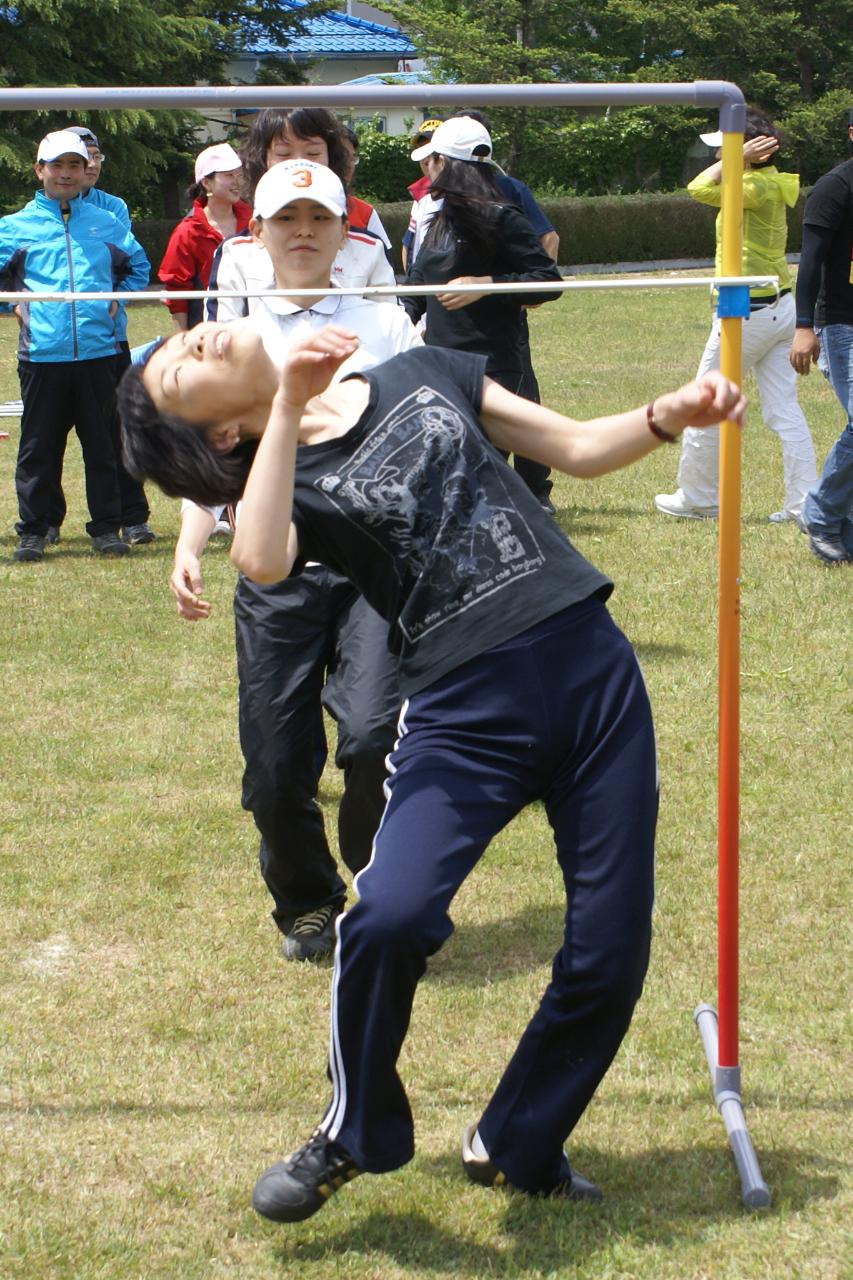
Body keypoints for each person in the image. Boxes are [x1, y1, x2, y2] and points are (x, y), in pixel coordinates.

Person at [117, 292, 745, 1217]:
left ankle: (518, 1138)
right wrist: (288, 402)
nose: (195, 337)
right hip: (465, 711)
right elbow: (260, 559)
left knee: (611, 951)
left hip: (590, 672)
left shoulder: (417, 372)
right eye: (180, 367)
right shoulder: (276, 475)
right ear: (215, 436)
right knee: (389, 918)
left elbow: (571, 447)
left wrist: (663, 415)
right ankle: (353, 1129)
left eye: (180, 340)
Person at [158, 160, 421, 962]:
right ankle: (306, 902)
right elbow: (208, 460)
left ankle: (384, 895)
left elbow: (431, 437)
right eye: (285, 219)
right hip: (276, 570)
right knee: (274, 762)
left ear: (345, 234)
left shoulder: (385, 323)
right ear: (258, 232)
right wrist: (188, 542)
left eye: (318, 219)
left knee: (375, 737)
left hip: (374, 568)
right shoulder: (228, 338)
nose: (302, 233)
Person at [655, 107, 817, 524]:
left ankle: (698, 499)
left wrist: (737, 159)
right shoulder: (766, 182)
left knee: (704, 402)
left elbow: (697, 189)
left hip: (747, 311)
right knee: (784, 410)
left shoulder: (751, 185)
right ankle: (804, 504)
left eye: (726, 148)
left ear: (751, 151)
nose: (717, 157)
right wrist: (738, 158)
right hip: (778, 306)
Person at [0, 129, 149, 562]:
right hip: (42, 355)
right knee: (38, 448)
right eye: (57, 165)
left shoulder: (107, 222)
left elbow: (137, 267)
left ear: (86, 171)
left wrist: (114, 301)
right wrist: (16, 306)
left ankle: (106, 528)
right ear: (39, 170)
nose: (66, 174)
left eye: (74, 166)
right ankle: (34, 529)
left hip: (100, 353)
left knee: (102, 445)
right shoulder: (13, 227)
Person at [401, 116, 563, 506]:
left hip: (493, 365)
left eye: (433, 160)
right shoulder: (435, 218)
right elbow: (414, 290)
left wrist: (485, 285)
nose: (428, 168)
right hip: (440, 362)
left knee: (476, 475)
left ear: (447, 165)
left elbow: (547, 279)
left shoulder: (504, 217)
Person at [45, 123, 156, 547]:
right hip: (53, 346)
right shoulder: (41, 211)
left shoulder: (111, 210)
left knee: (116, 432)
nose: (86, 166)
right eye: (75, 158)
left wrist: (115, 298)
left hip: (109, 341)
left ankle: (133, 517)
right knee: (48, 436)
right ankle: (47, 521)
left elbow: (128, 266)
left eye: (91, 157)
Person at [207, 109, 396, 324]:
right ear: (262, 160)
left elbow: (389, 330)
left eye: (313, 153)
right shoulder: (236, 253)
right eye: (284, 154)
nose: (299, 164)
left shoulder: (370, 249)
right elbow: (220, 340)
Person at [789, 108, 853, 565]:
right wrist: (804, 327)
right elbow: (809, 262)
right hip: (842, 324)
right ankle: (822, 513)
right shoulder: (835, 187)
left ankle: (843, 527)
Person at [158, 143, 252, 331]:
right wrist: (183, 340)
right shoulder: (188, 232)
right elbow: (177, 292)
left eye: (239, 175)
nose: (237, 182)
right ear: (206, 183)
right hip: (206, 331)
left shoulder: (255, 221)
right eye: (228, 176)